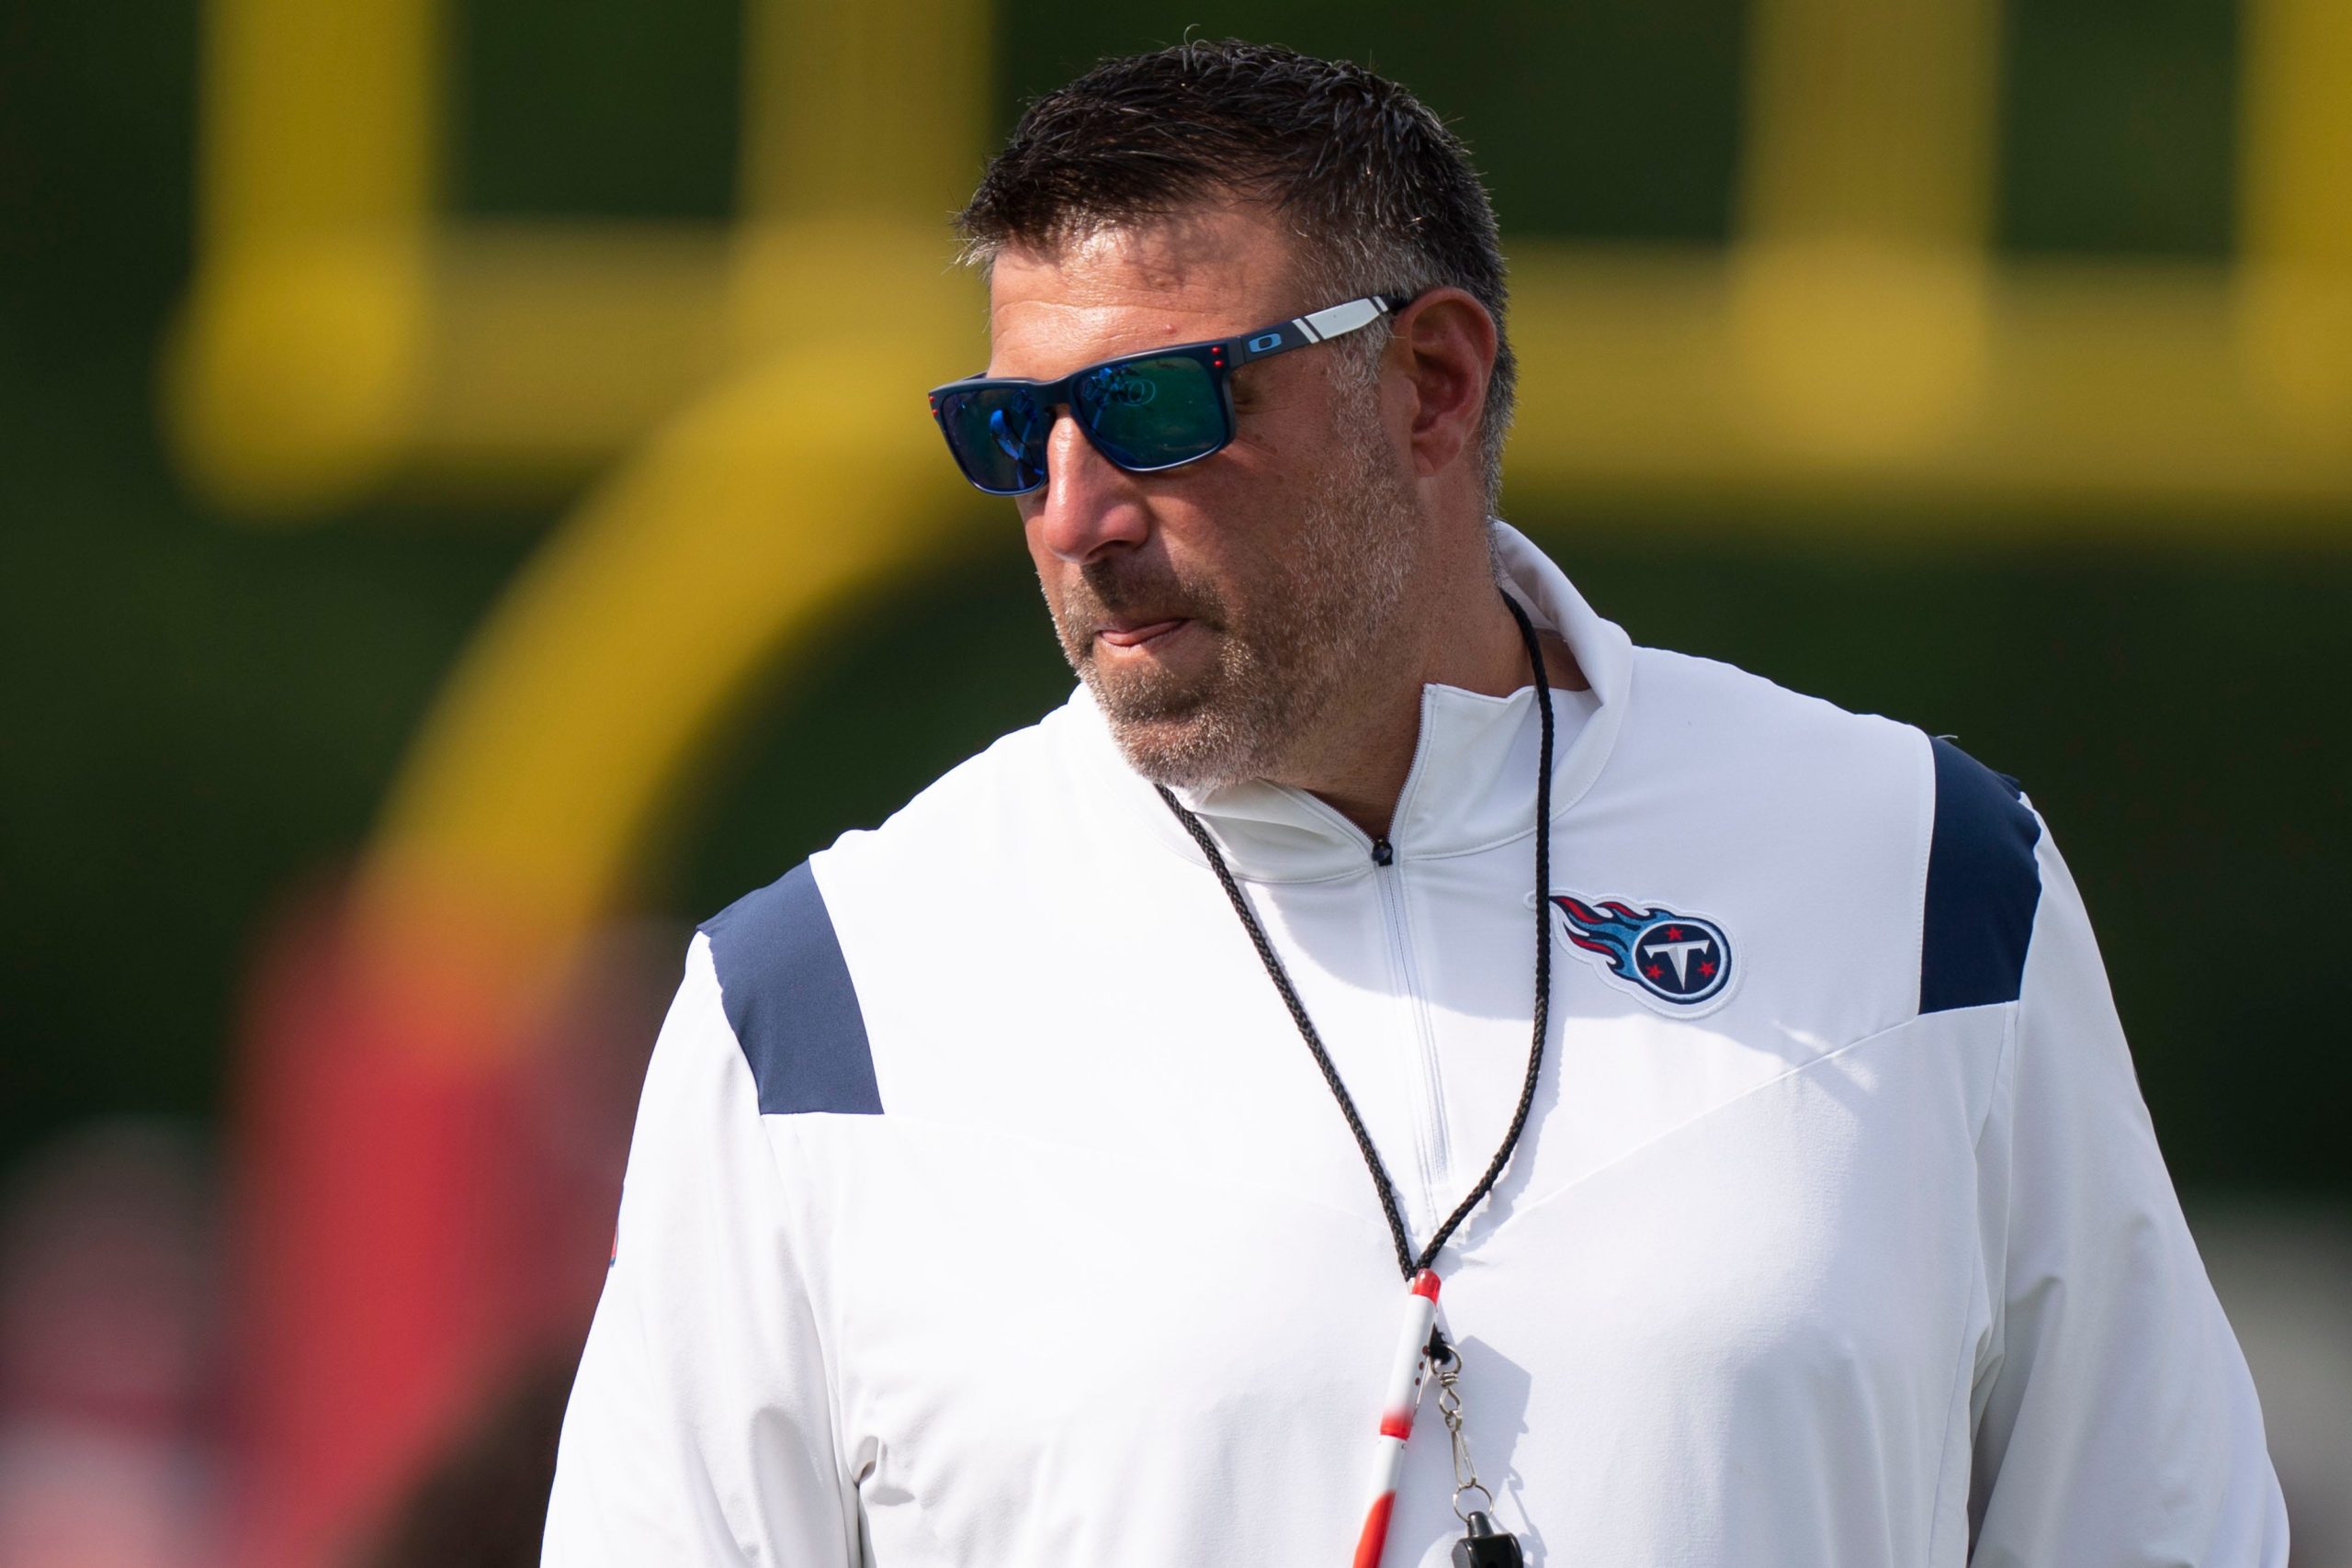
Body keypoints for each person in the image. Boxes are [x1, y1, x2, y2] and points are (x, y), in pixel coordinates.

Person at [542, 39, 2288, 1567]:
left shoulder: (1923, 870)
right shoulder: (821, 993)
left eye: (1150, 409)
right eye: (1012, 433)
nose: (1073, 515)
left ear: (1433, 387)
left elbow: (2157, 1523)